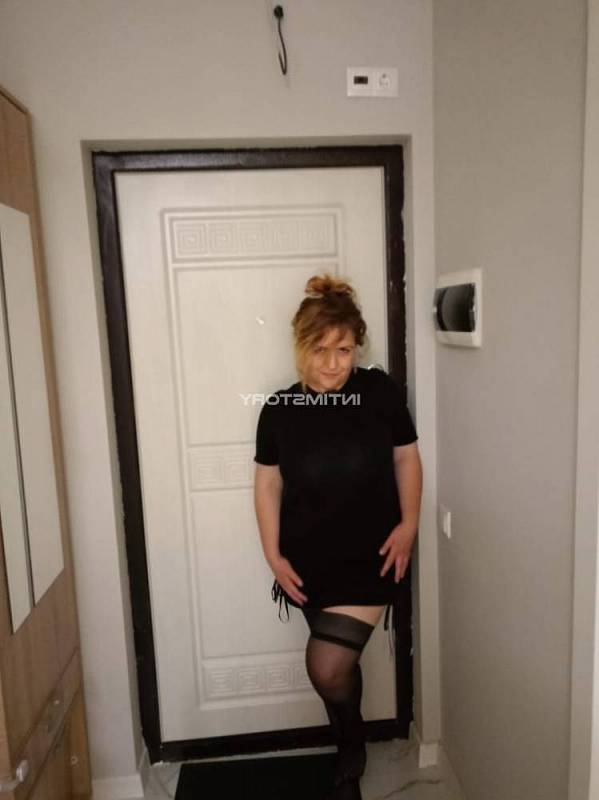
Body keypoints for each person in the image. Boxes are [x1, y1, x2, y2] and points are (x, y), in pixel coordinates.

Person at [253, 273, 423, 800]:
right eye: (320, 349)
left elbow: (406, 458)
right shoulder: (278, 410)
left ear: (356, 348)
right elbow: (268, 485)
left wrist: (410, 524)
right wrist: (272, 555)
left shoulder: (379, 392)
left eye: (344, 350)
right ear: (301, 347)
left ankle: (350, 747)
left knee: (326, 667)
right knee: (341, 666)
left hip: (373, 556)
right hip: (308, 562)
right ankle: (351, 744)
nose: (332, 363)